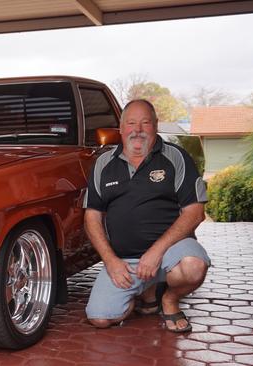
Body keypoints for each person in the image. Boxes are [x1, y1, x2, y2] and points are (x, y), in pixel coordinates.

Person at [83, 99, 210, 332]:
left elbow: (195, 212)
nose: (137, 130)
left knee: (193, 267)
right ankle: (144, 292)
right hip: (125, 261)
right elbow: (92, 216)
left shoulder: (175, 157)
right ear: (121, 129)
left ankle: (169, 299)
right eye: (131, 123)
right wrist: (110, 261)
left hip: (170, 252)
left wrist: (156, 251)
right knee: (100, 318)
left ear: (156, 125)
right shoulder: (103, 163)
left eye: (145, 123)